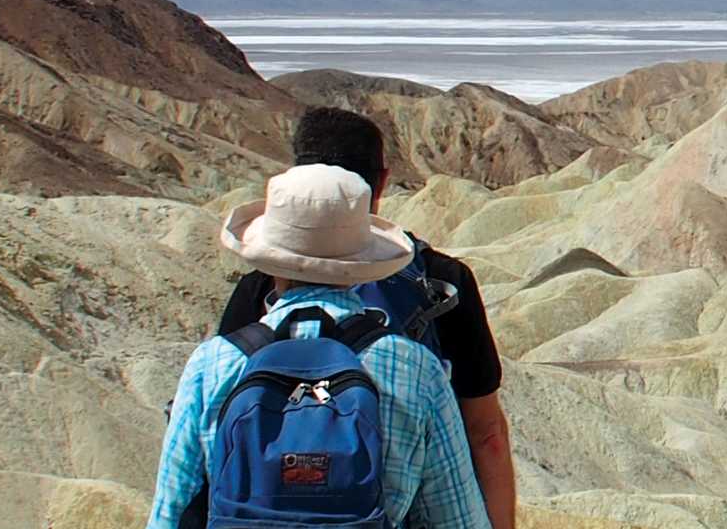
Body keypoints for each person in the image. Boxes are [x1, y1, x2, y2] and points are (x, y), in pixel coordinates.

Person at [215, 107, 518, 529]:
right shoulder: (441, 288)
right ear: (383, 182)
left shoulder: (244, 313)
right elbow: (486, 436)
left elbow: (191, 477)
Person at [147, 164, 492, 529]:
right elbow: (458, 519)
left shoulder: (213, 364)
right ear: (362, 264)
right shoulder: (414, 370)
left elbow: (169, 512)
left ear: (270, 262)